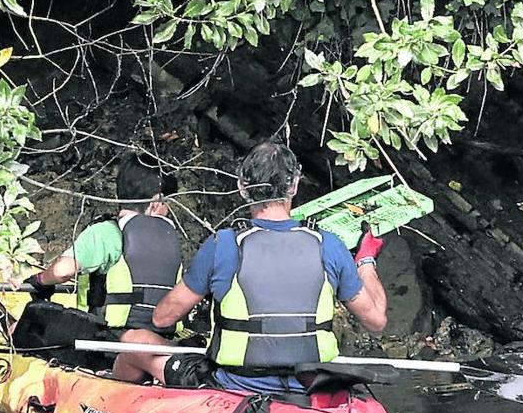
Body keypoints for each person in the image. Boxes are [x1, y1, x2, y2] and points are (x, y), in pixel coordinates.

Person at [111, 142, 387, 393]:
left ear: (242, 186)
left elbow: (162, 318)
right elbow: (376, 320)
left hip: (235, 383)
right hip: (309, 382)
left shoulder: (224, 245)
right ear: (293, 186)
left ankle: (113, 399)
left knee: (136, 341)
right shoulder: (329, 245)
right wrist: (365, 261)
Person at [22, 154, 184, 339]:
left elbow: (62, 271)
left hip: (108, 340)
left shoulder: (106, 232)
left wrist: (41, 281)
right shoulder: (170, 239)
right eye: (168, 204)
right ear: (156, 202)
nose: (167, 210)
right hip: (161, 338)